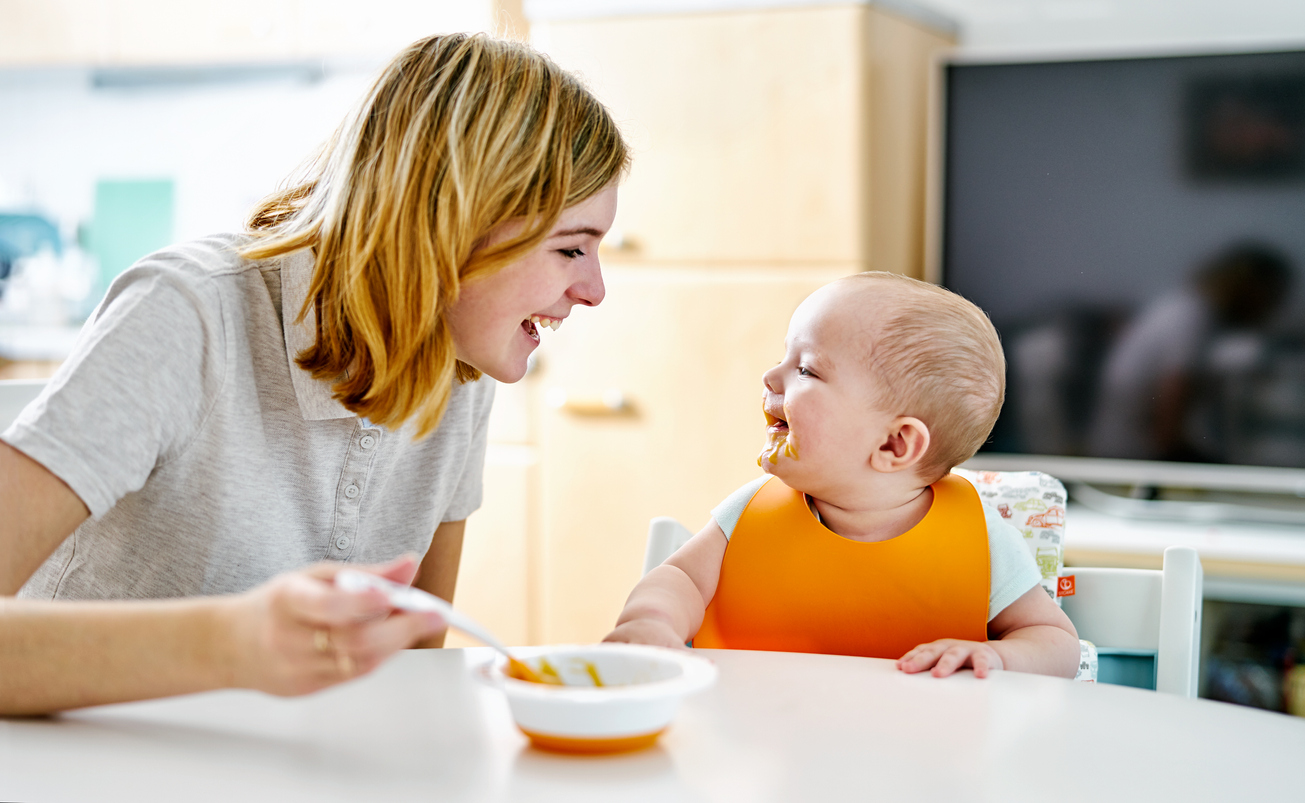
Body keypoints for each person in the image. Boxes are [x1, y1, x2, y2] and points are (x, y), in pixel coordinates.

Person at [0, 32, 628, 715]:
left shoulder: (461, 367)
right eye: (571, 249)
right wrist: (229, 643)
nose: (593, 290)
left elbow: (410, 674)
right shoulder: (188, 313)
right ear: (451, 222)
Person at [604, 272, 1080, 678]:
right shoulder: (749, 515)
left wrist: (997, 656)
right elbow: (681, 579)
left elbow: (1055, 643)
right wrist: (652, 621)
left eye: (806, 370)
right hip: (764, 751)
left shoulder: (980, 540)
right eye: (784, 358)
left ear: (894, 444)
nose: (771, 376)